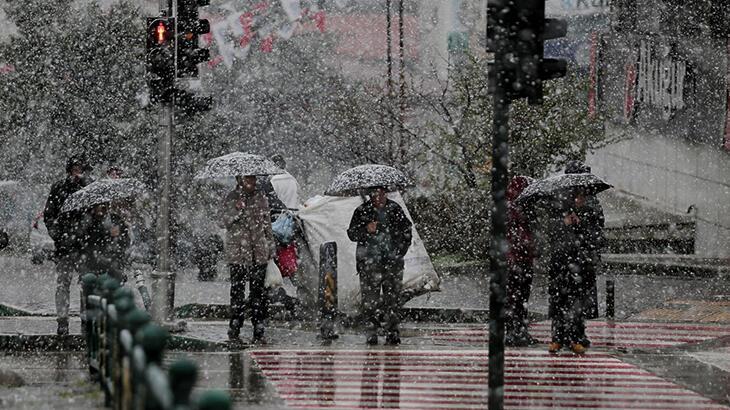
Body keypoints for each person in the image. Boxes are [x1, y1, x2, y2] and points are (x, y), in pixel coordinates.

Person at [347, 187, 412, 345]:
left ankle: (392, 332)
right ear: (370, 195)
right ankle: (372, 332)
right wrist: (365, 229)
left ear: (386, 194)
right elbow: (352, 233)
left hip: (392, 263)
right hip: (369, 264)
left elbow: (407, 231)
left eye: (382, 193)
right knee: (370, 300)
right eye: (375, 194)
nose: (379, 197)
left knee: (393, 300)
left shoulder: (395, 209)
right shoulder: (362, 210)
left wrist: (398, 253)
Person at [222, 175, 276, 344]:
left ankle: (258, 326)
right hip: (238, 252)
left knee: (257, 293)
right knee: (237, 291)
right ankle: (235, 325)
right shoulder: (231, 197)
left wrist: (270, 247)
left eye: (253, 180)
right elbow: (223, 221)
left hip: (258, 252)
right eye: (248, 180)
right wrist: (237, 211)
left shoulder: (261, 198)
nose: (252, 183)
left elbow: (267, 223)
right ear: (240, 180)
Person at [44, 155, 93, 335]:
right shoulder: (59, 188)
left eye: (80, 168)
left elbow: (95, 217)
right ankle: (62, 320)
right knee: (63, 284)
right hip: (65, 247)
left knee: (86, 284)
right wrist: (58, 235)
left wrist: (87, 234)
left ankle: (86, 319)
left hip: (84, 247)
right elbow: (48, 215)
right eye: (74, 168)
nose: (76, 172)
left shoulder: (89, 189)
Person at [547, 188, 592, 354]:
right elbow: (551, 235)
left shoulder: (584, 214)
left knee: (575, 303)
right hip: (560, 266)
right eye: (579, 197)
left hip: (577, 265)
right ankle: (557, 338)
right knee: (558, 303)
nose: (582, 200)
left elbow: (590, 239)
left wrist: (579, 225)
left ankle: (574, 337)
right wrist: (563, 224)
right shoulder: (556, 212)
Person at [565, 160, 605, 344]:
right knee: (566, 297)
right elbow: (554, 230)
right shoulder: (562, 201)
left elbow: (597, 234)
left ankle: (579, 332)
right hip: (566, 256)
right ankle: (565, 332)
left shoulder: (592, 203)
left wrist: (580, 224)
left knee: (580, 297)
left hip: (583, 258)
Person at [505, 175, 539, 347]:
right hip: (515, 260)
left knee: (521, 296)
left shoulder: (522, 207)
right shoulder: (512, 209)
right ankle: (514, 331)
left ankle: (519, 330)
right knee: (515, 297)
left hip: (522, 259)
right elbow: (514, 236)